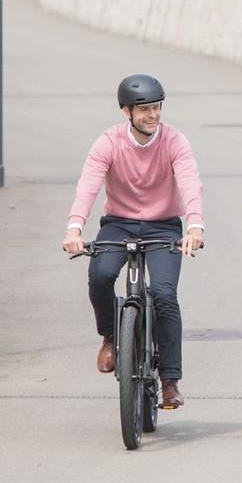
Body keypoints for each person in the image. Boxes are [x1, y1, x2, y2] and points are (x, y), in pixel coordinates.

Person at [62, 74, 204, 410]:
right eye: (144, 110)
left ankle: (170, 382)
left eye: (157, 108)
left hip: (164, 226)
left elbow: (190, 183)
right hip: (119, 224)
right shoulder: (109, 143)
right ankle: (111, 337)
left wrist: (195, 225)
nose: (153, 115)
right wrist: (74, 228)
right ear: (127, 111)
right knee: (100, 275)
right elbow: (88, 186)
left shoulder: (174, 141)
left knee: (164, 294)